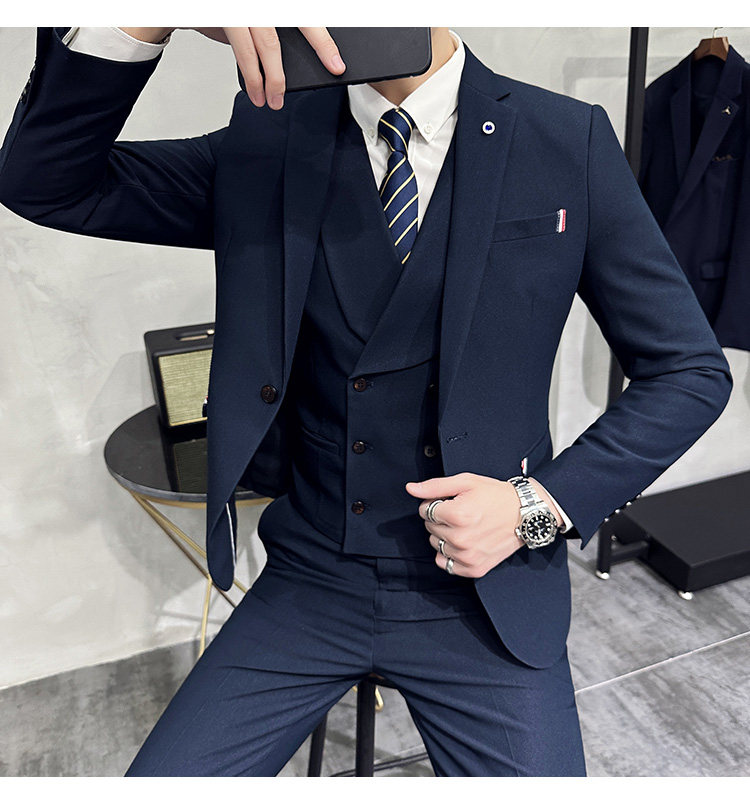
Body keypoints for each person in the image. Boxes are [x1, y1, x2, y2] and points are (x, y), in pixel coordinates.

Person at [0, 26, 732, 777]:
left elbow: (689, 371)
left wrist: (533, 507)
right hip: (311, 576)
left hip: (486, 590)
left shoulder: (563, 138)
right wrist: (142, 18)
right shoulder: (268, 141)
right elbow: (46, 182)